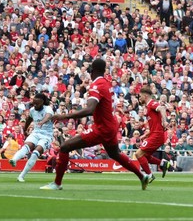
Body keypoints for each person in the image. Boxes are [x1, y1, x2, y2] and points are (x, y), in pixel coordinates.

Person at [39, 59, 149, 190]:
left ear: (92, 71)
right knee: (115, 154)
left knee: (65, 147)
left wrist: (64, 116)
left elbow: (89, 110)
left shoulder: (97, 85)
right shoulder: (106, 83)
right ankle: (142, 176)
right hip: (110, 125)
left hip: (102, 128)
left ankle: (57, 183)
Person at [9, 93, 54, 182]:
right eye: (34, 104)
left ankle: (21, 176)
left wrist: (42, 122)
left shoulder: (48, 109)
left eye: (37, 104)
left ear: (42, 102)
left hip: (46, 136)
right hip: (36, 133)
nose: (35, 105)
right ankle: (14, 160)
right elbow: (29, 119)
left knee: (35, 153)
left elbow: (48, 116)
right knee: (26, 146)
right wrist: (25, 129)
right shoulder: (32, 110)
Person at [136, 87, 171, 180]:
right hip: (154, 134)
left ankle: (149, 176)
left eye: (140, 96)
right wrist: (146, 135)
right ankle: (163, 163)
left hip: (157, 135)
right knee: (145, 156)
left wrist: (164, 121)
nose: (139, 98)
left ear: (145, 96)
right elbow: (154, 124)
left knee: (138, 154)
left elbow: (162, 108)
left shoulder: (152, 103)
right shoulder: (148, 106)